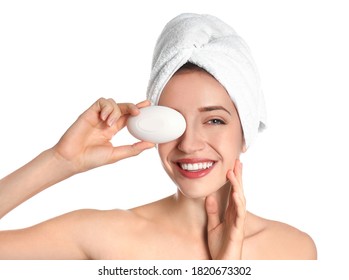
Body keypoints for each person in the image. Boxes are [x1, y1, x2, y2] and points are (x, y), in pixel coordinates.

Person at [0, 13, 317, 260]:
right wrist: (61, 161)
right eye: (172, 121)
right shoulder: (105, 235)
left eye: (215, 120)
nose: (189, 144)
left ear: (246, 131)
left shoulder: (293, 250)